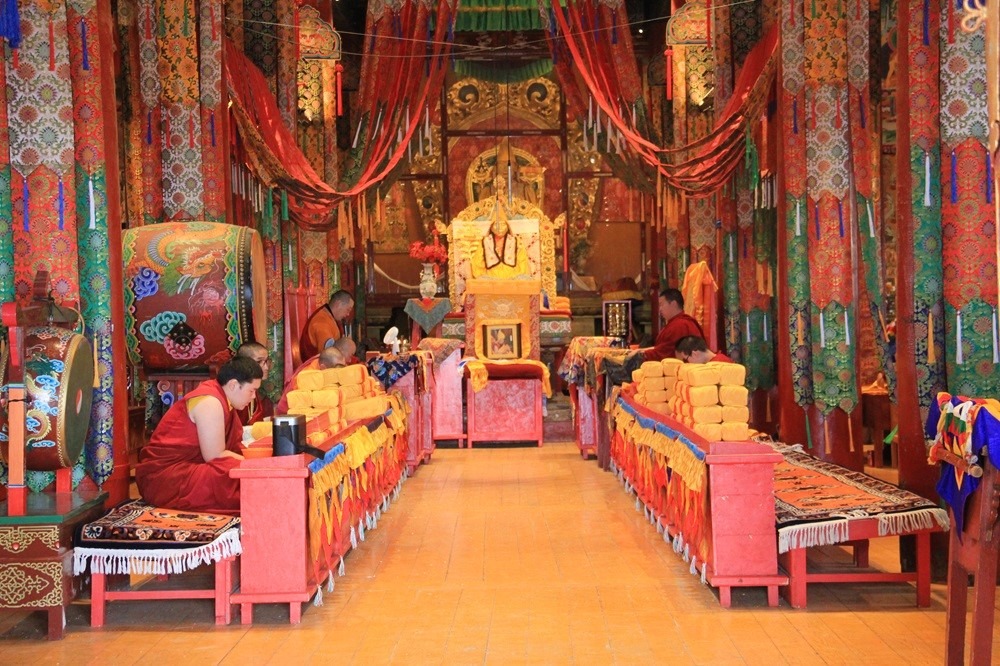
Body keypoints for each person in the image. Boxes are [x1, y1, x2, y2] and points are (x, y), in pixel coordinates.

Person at [135, 357, 263, 515]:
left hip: (189, 468)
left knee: (242, 472)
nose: (253, 397)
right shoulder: (210, 402)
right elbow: (215, 457)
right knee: (233, 475)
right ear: (233, 385)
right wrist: (254, 464)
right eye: (252, 391)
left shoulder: (223, 399)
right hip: (165, 477)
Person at [274, 346, 346, 415]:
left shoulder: (322, 365)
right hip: (290, 415)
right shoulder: (306, 378)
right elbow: (303, 408)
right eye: (337, 370)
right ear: (323, 367)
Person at [643, 288, 705, 361]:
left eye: (661, 305)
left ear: (673, 304)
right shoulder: (677, 323)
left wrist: (643, 355)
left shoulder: (680, 325)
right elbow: (662, 348)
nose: (660, 309)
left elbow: (667, 353)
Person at [299, 289, 354, 362]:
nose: (348, 314)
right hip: (317, 366)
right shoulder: (321, 320)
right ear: (338, 304)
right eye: (348, 310)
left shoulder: (331, 318)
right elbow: (329, 357)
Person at [234, 341, 273, 424]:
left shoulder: (253, 385)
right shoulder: (237, 389)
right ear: (245, 363)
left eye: (266, 361)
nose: (266, 367)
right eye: (259, 362)